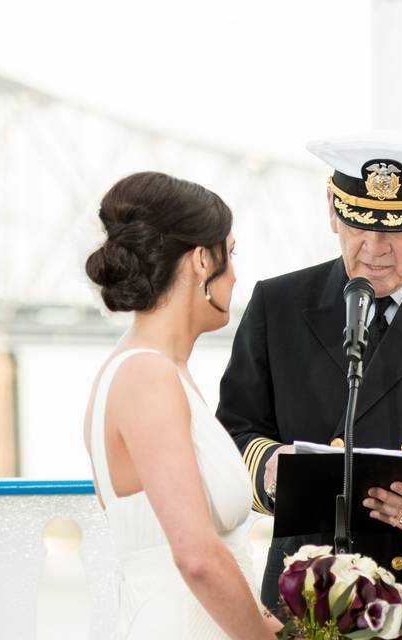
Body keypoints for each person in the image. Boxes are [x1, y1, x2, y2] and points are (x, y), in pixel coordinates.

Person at [216, 131, 402, 613]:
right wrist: (272, 469)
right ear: (333, 211)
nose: (374, 249)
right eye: (359, 226)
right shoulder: (279, 304)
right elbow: (233, 431)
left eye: (397, 229)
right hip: (311, 592)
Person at [82, 172, 279, 639]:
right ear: (200, 260)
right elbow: (196, 555)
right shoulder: (147, 377)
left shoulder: (162, 373)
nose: (235, 273)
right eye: (230, 254)